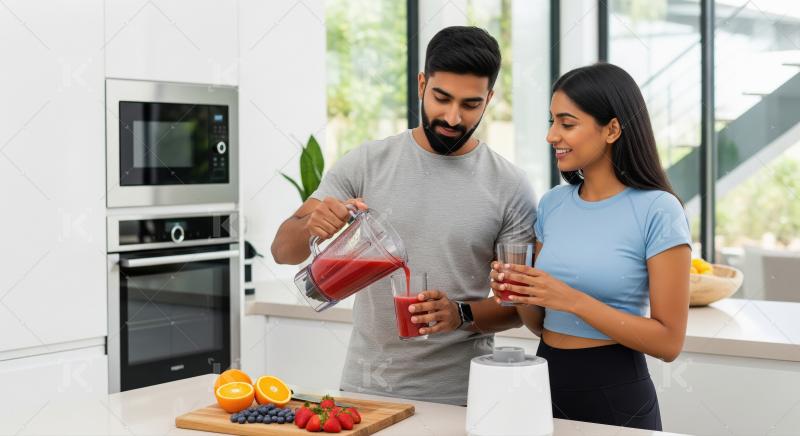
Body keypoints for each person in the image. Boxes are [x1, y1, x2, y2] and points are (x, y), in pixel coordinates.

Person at [271, 26, 536, 405]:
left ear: (489, 98)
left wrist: (460, 313)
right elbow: (283, 251)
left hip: (463, 398)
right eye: (441, 97)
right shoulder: (367, 163)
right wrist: (312, 225)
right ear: (421, 84)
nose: (452, 116)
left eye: (470, 104)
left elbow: (521, 307)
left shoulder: (509, 186)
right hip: (365, 393)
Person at [490, 63, 691, 430]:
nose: (552, 136)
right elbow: (540, 325)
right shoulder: (552, 204)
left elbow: (669, 341)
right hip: (544, 383)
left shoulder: (659, 209)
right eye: (551, 122)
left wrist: (569, 298)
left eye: (567, 124)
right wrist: (520, 294)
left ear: (612, 129)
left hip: (615, 394)